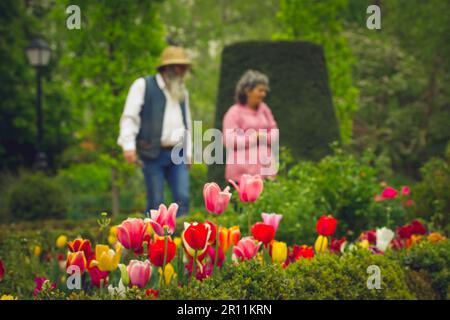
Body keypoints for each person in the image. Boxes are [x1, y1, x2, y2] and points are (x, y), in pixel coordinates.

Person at [118, 46, 192, 216]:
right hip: (152, 153)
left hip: (178, 152)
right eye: (179, 67)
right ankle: (153, 240)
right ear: (168, 68)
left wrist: (189, 151)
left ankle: (182, 239)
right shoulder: (143, 85)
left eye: (184, 68)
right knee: (156, 202)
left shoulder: (182, 92)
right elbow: (130, 117)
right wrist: (128, 146)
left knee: (183, 197)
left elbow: (186, 121)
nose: (183, 72)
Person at [222, 69, 279, 182]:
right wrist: (253, 138)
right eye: (260, 90)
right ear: (248, 91)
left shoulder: (264, 109)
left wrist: (262, 137)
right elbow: (228, 140)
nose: (264, 94)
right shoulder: (234, 112)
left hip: (266, 171)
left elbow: (274, 133)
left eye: (265, 91)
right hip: (242, 175)